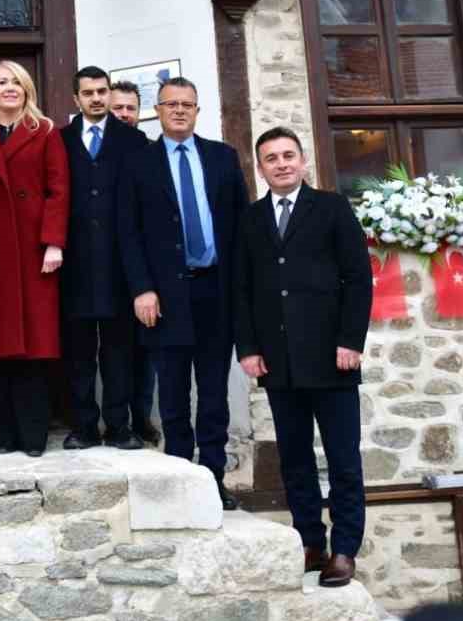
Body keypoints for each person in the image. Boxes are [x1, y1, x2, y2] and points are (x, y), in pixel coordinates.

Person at [233, 127, 372, 588]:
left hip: (333, 358)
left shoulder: (332, 208)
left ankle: (345, 549)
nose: (281, 164)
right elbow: (242, 290)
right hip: (279, 362)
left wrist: (351, 341)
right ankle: (310, 542)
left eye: (288, 155)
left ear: (303, 161)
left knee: (343, 460)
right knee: (294, 460)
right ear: (260, 168)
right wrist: (248, 348)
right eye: (271, 158)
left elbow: (358, 278)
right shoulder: (250, 219)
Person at [119, 77, 248, 510]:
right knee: (172, 395)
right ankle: (180, 482)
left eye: (186, 104)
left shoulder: (222, 157)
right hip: (165, 296)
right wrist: (142, 289)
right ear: (157, 110)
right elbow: (128, 233)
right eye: (170, 104)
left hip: (216, 290)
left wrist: (242, 288)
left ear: (197, 110)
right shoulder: (139, 163)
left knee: (213, 395)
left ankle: (212, 479)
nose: (178, 110)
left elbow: (241, 226)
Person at [0, 61, 68, 457]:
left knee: (34, 349)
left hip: (33, 251)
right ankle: (3, 436)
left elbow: (59, 190)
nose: (9, 88)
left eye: (17, 83)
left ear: (27, 90)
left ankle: (33, 436)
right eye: (2, 82)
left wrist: (53, 243)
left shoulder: (45, 132)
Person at [59, 66, 148, 450]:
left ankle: (118, 427)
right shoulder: (60, 140)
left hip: (120, 266)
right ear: (75, 98)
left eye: (101, 91)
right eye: (88, 92)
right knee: (78, 354)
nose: (96, 98)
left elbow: (143, 204)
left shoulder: (134, 141)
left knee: (118, 353)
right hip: (74, 266)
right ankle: (83, 427)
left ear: (109, 94)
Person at [109, 79, 159, 443]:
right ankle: (118, 421)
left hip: (146, 267)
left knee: (147, 351)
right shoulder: (94, 149)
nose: (125, 114)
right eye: (118, 108)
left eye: (131, 108)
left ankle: (142, 417)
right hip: (109, 268)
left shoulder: (151, 151)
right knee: (116, 351)